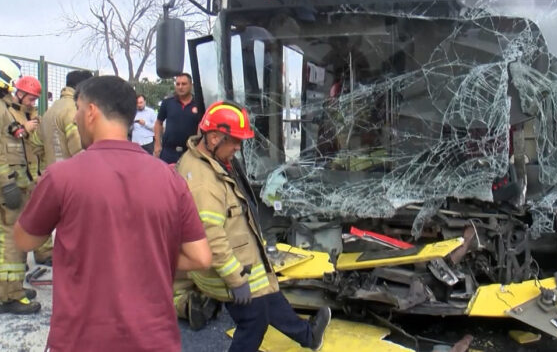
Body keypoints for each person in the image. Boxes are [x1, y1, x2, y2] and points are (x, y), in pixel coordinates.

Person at [13, 76, 212, 351]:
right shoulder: (170, 178)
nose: (77, 119)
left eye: (79, 110)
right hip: (155, 339)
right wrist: (146, 255)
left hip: (81, 340)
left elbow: (25, 241)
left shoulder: (61, 177)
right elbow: (201, 257)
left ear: (91, 112)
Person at [177, 100, 331, 352]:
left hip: (244, 259)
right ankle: (307, 335)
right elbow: (212, 239)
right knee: (254, 321)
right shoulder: (203, 184)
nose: (238, 148)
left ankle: (308, 335)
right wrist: (237, 281)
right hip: (233, 269)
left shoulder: (205, 161)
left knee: (268, 296)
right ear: (214, 137)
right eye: (234, 141)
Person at [0, 57, 44, 314]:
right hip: (9, 187)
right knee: (11, 242)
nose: (32, 103)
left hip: (17, 184)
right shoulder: (4, 110)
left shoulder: (11, 110)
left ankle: (9, 289)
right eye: (29, 98)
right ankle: (11, 296)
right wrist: (6, 184)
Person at [40, 70, 93, 167]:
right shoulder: (74, 109)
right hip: (71, 174)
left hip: (52, 172)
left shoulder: (50, 110)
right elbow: (79, 149)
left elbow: (36, 144)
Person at [154, 73, 203, 163]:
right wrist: (157, 144)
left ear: (191, 85)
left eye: (184, 84)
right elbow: (158, 123)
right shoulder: (167, 102)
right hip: (168, 152)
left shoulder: (199, 104)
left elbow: (202, 126)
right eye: (178, 84)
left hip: (190, 152)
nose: (180, 87)